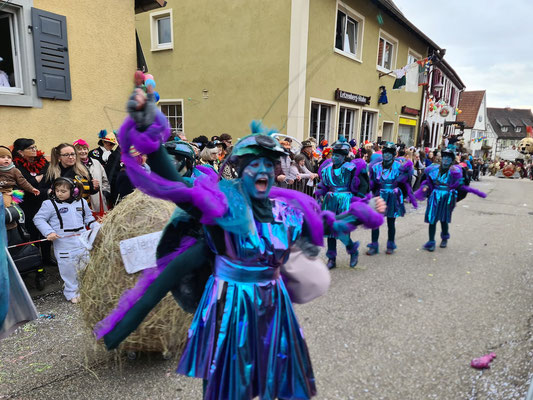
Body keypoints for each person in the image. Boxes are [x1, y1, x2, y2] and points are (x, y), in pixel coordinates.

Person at [96, 86, 385, 400]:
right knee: (227, 380)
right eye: (253, 164)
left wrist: (361, 215)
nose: (262, 170)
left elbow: (329, 224)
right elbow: (178, 185)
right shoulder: (221, 207)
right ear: (242, 170)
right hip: (229, 303)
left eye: (268, 165)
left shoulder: (286, 212)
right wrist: (147, 132)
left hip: (274, 303)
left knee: (274, 369)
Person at [33, 177, 98, 303]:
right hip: (63, 244)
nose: (59, 193)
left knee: (85, 267)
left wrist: (96, 226)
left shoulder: (82, 202)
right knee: (68, 270)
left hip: (82, 241)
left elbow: (88, 218)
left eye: (63, 191)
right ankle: (72, 292)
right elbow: (38, 219)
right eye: (57, 190)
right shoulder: (49, 204)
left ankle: (87, 290)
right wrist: (49, 232)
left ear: (74, 191)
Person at [416, 146, 486, 251]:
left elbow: (462, 184)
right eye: (444, 157)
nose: (446, 160)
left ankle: (444, 238)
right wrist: (425, 187)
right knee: (432, 219)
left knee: (444, 220)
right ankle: (431, 241)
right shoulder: (432, 169)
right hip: (435, 196)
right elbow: (426, 181)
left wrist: (457, 190)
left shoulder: (456, 171)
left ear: (452, 160)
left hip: (447, 197)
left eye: (449, 158)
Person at [316, 138, 369, 269]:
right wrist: (319, 194)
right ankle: (331, 258)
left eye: (338, 155)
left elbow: (362, 184)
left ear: (344, 157)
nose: (334, 157)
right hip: (330, 200)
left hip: (345, 200)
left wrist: (359, 201)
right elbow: (323, 185)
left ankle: (353, 251)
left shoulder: (351, 168)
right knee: (329, 231)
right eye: (333, 155)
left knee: (343, 230)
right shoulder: (326, 169)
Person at [367, 142, 414, 255]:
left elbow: (406, 181)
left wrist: (404, 194)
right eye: (385, 152)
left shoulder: (399, 166)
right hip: (380, 194)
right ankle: (374, 245)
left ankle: (390, 245)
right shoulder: (375, 167)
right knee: (375, 222)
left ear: (394, 154)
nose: (386, 155)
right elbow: (372, 183)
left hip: (393, 195)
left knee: (391, 222)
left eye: (389, 153)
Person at [12, 138, 51, 264]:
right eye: (30, 148)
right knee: (32, 234)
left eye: (35, 147)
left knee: (46, 231)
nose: (34, 150)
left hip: (44, 201)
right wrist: (36, 180)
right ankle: (35, 261)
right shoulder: (15, 166)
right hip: (27, 205)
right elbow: (22, 186)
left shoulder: (43, 161)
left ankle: (47, 258)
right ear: (21, 152)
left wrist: (35, 184)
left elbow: (49, 178)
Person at [0, 146, 40, 230]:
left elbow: (22, 182)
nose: (6, 159)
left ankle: (10, 225)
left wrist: (32, 189)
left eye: (9, 157)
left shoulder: (14, 170)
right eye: (2, 157)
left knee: (5, 205)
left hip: (6, 192)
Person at [73, 139, 110, 214]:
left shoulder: (96, 163)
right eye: (79, 149)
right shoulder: (73, 165)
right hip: (82, 202)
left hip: (99, 201)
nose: (83, 151)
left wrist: (105, 193)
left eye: (85, 149)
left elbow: (105, 180)